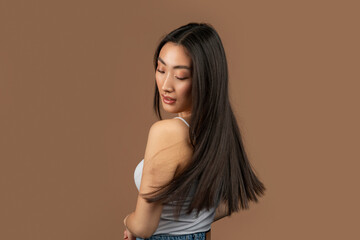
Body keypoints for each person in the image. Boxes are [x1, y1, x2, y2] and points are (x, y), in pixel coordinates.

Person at [123, 22, 266, 240]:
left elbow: (143, 227)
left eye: (180, 76)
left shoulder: (166, 132)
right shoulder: (220, 130)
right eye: (161, 70)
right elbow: (226, 203)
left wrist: (128, 221)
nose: (166, 85)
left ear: (205, 79)